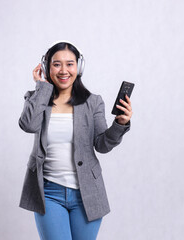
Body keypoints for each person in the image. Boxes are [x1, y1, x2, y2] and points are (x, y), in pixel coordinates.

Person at [18, 41, 133, 240]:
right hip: (49, 193)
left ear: (78, 67)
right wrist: (42, 87)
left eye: (70, 64)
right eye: (56, 64)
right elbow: (28, 125)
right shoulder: (37, 97)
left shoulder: (93, 101)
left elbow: (102, 145)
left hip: (86, 194)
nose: (64, 70)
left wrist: (120, 124)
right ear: (47, 67)